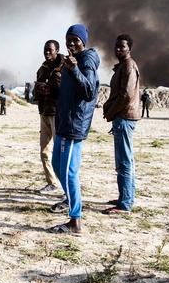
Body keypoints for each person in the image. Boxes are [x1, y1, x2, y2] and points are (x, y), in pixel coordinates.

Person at [48, 24, 100, 234]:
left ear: (83, 41)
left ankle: (75, 221)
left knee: (69, 172)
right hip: (64, 123)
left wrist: (74, 69)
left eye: (75, 39)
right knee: (57, 165)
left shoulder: (86, 60)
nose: (71, 43)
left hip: (74, 125)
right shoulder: (71, 61)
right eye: (68, 39)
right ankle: (71, 199)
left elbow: (88, 91)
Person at [102, 34, 141, 214]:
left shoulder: (128, 66)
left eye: (122, 47)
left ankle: (125, 204)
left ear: (129, 49)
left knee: (124, 162)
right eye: (116, 47)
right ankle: (125, 197)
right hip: (122, 117)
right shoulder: (123, 66)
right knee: (125, 160)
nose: (118, 50)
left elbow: (126, 95)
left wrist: (110, 111)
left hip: (124, 117)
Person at [33, 40, 63, 195]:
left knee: (61, 152)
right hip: (44, 112)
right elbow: (34, 94)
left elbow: (68, 91)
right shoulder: (42, 69)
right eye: (45, 50)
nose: (47, 53)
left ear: (57, 50)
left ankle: (66, 186)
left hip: (58, 114)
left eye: (50, 50)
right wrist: (38, 89)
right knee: (44, 151)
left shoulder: (65, 67)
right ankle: (52, 183)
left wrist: (52, 89)